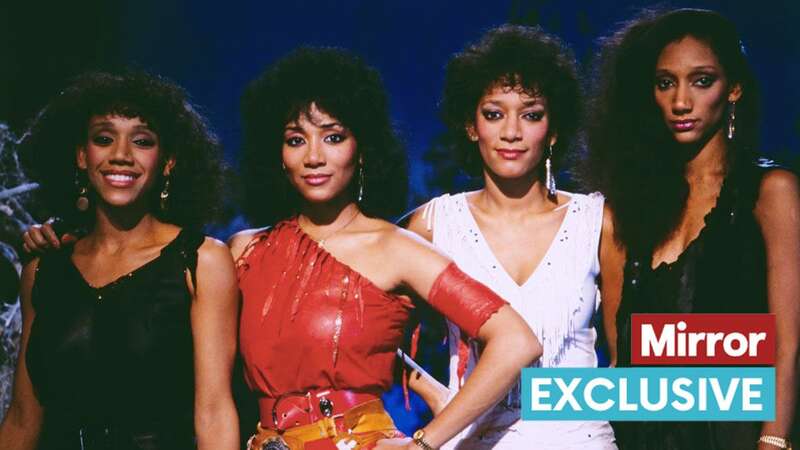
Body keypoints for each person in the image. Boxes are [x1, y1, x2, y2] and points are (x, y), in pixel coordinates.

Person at [229, 47, 541, 450]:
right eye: (295, 140)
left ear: (362, 150)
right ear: (277, 155)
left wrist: (426, 443)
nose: (314, 157)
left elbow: (516, 340)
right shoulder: (245, 250)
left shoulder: (397, 249)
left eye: (333, 137)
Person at [583, 8, 799, 450]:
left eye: (702, 81)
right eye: (666, 83)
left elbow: (787, 345)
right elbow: (624, 356)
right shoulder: (629, 210)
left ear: (733, 88)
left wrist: (773, 440)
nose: (681, 102)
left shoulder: (770, 192)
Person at [403, 25, 620, 449]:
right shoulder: (434, 224)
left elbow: (623, 359)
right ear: (471, 125)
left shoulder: (597, 221)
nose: (512, 132)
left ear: (553, 129)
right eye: (494, 113)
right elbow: (371, 336)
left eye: (531, 114)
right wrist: (441, 398)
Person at [1, 72, 240, 450]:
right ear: (82, 156)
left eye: (142, 141)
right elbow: (22, 418)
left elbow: (213, 412)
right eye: (104, 138)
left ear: (169, 162)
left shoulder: (200, 261)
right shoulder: (43, 270)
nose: (121, 155)